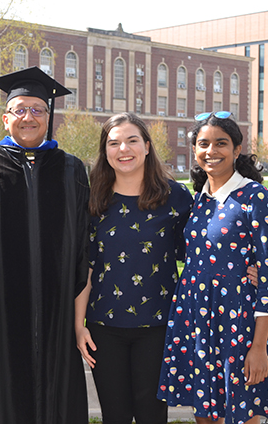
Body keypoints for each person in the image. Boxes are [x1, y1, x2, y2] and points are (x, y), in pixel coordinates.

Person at [0, 66, 90, 424]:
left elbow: (81, 247)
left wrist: (76, 317)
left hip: (56, 311)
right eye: (20, 110)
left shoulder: (71, 169)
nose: (29, 117)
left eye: (37, 110)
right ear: (5, 118)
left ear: (49, 116)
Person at [157, 111, 268, 424]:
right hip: (198, 321)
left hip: (239, 325)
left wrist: (257, 347)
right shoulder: (199, 200)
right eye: (203, 144)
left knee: (244, 411)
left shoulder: (256, 198)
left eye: (221, 143)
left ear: (237, 150)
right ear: (195, 150)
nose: (211, 151)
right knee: (205, 415)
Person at [75, 113, 193, 424]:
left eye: (131, 140)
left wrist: (246, 267)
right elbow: (85, 268)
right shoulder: (92, 198)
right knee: (114, 416)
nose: (123, 149)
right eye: (113, 143)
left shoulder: (175, 196)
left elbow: (199, 252)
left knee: (152, 416)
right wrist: (79, 324)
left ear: (147, 147)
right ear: (105, 152)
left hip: (158, 326)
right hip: (104, 327)